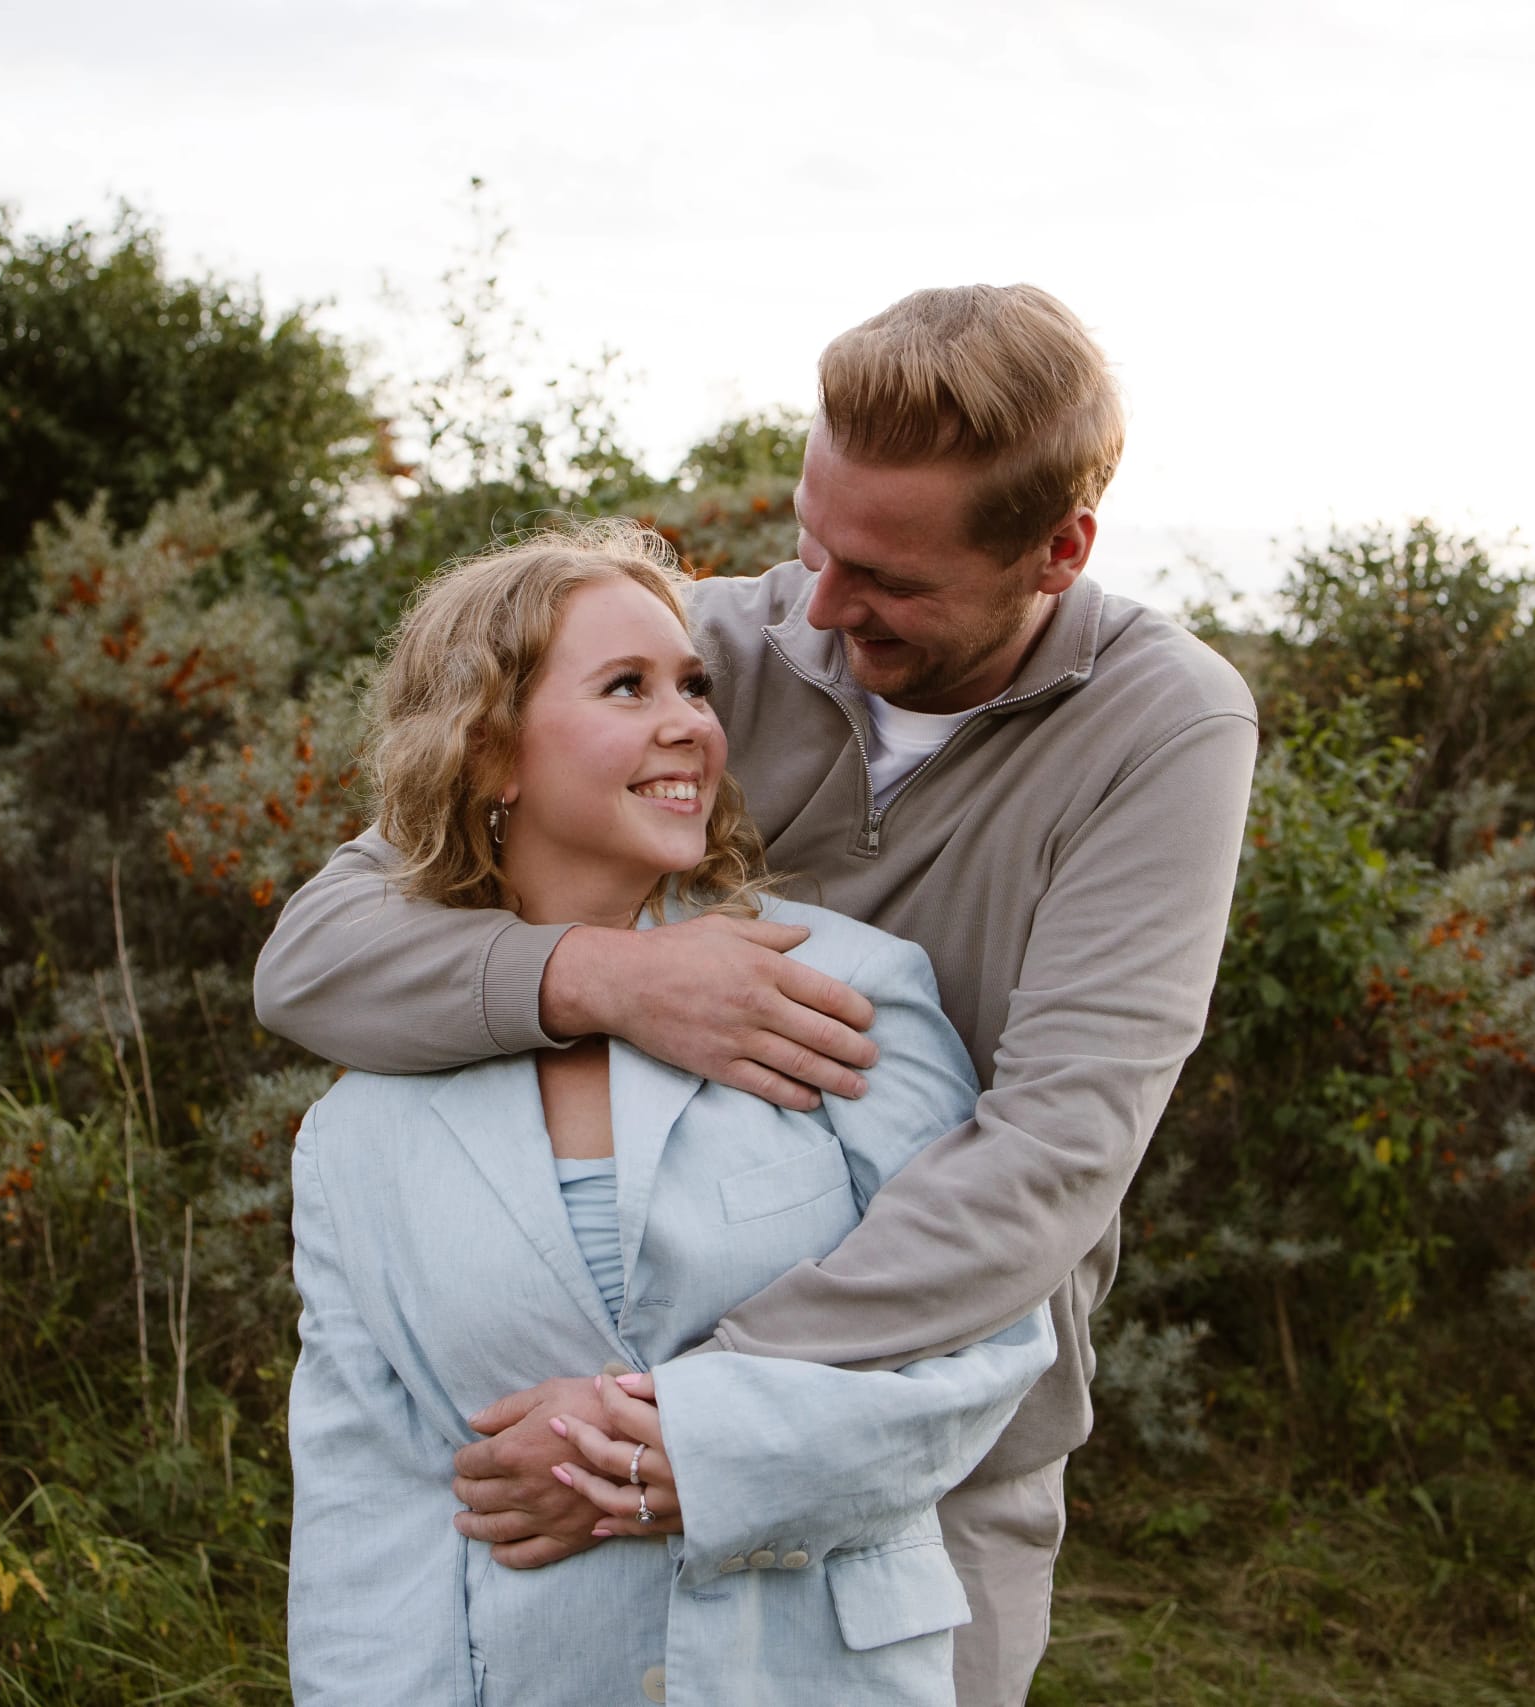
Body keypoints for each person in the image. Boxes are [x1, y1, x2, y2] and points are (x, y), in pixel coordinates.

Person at [259, 284, 1258, 1706]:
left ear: (1060, 550)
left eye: (892, 580)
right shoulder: (709, 649)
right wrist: (617, 976)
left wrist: (687, 1417)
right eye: (812, 541)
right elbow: (320, 952)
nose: (820, 608)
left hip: (918, 1411)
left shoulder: (1165, 723)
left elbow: (1055, 1154)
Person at [284, 523, 1055, 1706]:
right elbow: (368, 1508)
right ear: (491, 752)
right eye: (626, 687)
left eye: (693, 685)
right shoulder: (359, 1128)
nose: (690, 720)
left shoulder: (842, 991)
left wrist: (696, 1450)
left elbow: (987, 1345)